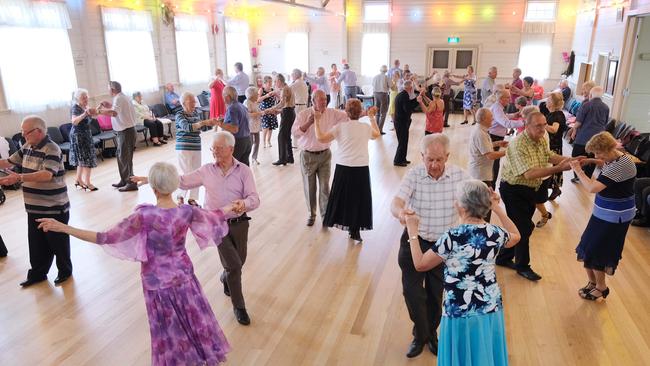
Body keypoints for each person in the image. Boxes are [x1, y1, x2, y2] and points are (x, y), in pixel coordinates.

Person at [39, 162, 231, 364]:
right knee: (193, 318)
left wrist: (64, 228)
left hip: (157, 283)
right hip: (184, 275)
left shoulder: (145, 216)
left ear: (154, 188)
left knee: (168, 329)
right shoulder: (186, 211)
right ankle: (200, 357)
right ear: (174, 186)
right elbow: (215, 216)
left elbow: (105, 237)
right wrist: (233, 206)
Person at [134, 131, 260, 325]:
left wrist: (244, 203)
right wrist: (151, 179)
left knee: (238, 262)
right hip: (215, 224)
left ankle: (226, 277)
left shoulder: (244, 170)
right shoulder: (206, 170)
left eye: (219, 148)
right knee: (234, 265)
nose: (214, 152)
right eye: (213, 148)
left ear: (231, 149)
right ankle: (239, 306)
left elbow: (254, 198)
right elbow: (181, 181)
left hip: (240, 223)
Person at [403, 180, 520, 365]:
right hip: (490, 308)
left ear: (462, 207)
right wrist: (497, 208)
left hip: (459, 310)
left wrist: (412, 230)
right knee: (485, 356)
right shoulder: (495, 233)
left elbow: (420, 264)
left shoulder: (452, 237)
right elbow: (516, 235)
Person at [390, 133, 469, 358]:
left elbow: (475, 197)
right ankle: (421, 334)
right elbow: (396, 202)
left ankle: (429, 334)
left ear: (447, 156)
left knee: (436, 295)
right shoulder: (414, 175)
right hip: (415, 241)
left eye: (439, 159)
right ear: (422, 156)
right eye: (429, 159)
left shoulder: (460, 176)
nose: (434, 165)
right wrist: (401, 214)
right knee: (412, 293)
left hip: (444, 246)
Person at [496, 112, 575, 281]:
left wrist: (571, 160)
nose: (543, 128)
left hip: (529, 190)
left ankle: (503, 257)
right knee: (523, 229)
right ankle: (522, 266)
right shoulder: (518, 144)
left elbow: (550, 156)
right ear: (527, 125)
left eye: (544, 124)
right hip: (513, 190)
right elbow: (530, 173)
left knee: (523, 228)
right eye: (538, 125)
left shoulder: (540, 139)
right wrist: (559, 168)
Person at [0, 116, 72, 287]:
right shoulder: (27, 146)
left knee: (58, 243)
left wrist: (19, 177)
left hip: (54, 207)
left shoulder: (52, 149)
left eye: (26, 132)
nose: (23, 135)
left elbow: (47, 175)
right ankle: (38, 274)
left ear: (38, 131)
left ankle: (65, 271)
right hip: (34, 207)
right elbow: (7, 162)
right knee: (36, 243)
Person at [571, 132, 636, 300]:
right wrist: (592, 161)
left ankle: (601, 287)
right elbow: (605, 163)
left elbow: (592, 187)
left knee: (598, 251)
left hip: (616, 216)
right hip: (604, 211)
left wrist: (578, 170)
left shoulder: (620, 165)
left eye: (597, 153)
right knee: (587, 246)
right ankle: (593, 283)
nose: (596, 156)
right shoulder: (616, 158)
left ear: (608, 149)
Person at [314, 100, 380, 241]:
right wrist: (372, 118)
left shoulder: (340, 127)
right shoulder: (365, 127)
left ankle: (335, 222)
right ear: (360, 111)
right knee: (358, 199)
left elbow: (320, 138)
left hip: (343, 168)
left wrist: (317, 121)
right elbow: (377, 134)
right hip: (361, 168)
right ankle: (354, 230)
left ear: (346, 112)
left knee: (342, 198)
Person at [292, 90, 349, 226]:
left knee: (324, 187)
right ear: (313, 101)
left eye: (325, 99)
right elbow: (294, 133)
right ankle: (311, 214)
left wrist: (363, 113)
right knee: (310, 187)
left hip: (325, 155)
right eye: (321, 99)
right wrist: (308, 123)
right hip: (308, 156)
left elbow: (347, 116)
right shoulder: (303, 114)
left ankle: (325, 216)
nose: (324, 102)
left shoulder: (331, 113)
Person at [175, 91, 216, 204]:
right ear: (184, 103)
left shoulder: (195, 114)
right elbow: (187, 127)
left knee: (197, 173)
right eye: (191, 101)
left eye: (194, 101)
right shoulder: (179, 114)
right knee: (187, 173)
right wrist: (203, 123)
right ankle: (180, 196)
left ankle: (192, 198)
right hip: (184, 147)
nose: (194, 103)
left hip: (196, 146)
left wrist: (209, 123)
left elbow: (199, 129)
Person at [98, 81, 138, 192]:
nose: (108, 91)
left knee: (125, 158)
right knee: (121, 157)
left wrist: (98, 111)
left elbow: (114, 113)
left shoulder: (119, 98)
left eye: (108, 89)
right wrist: (109, 106)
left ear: (112, 89)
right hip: (124, 131)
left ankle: (131, 183)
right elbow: (117, 110)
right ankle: (124, 180)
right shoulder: (121, 97)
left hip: (126, 132)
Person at [570, 86, 609, 182]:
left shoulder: (586, 105)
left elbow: (578, 122)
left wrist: (573, 130)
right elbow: (605, 123)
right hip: (598, 138)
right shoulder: (606, 107)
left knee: (576, 156)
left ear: (591, 95)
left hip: (583, 136)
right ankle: (587, 177)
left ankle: (577, 176)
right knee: (592, 157)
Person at [488, 90, 525, 187]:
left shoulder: (499, 107)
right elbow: (506, 123)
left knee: (495, 162)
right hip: (493, 136)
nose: (510, 99)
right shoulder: (497, 108)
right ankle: (491, 185)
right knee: (494, 163)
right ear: (501, 99)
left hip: (496, 135)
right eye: (507, 97)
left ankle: (491, 184)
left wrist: (513, 115)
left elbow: (503, 117)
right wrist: (524, 123)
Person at [468, 108, 507, 192]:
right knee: (482, 202)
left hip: (482, 173)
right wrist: (508, 152)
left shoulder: (481, 130)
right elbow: (490, 155)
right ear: (483, 119)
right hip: (480, 175)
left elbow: (481, 147)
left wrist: (497, 144)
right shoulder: (480, 133)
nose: (493, 119)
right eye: (491, 117)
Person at [70, 88, 99, 191]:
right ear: (78, 98)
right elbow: (74, 121)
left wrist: (97, 111)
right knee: (87, 159)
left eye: (86, 96)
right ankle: (88, 183)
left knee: (82, 159)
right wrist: (85, 114)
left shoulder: (85, 106)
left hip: (86, 134)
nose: (86, 98)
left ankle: (78, 180)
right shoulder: (76, 108)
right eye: (83, 97)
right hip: (79, 136)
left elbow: (93, 117)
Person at [218, 86, 252, 166]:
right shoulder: (242, 106)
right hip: (247, 140)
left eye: (223, 96)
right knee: (244, 169)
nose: (223, 98)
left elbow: (235, 129)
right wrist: (225, 120)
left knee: (232, 169)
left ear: (227, 97)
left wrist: (220, 124)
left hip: (238, 142)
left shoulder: (232, 108)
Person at [544, 92, 568, 202]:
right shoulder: (551, 113)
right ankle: (554, 188)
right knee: (549, 167)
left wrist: (542, 125)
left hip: (554, 145)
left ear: (553, 102)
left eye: (549, 100)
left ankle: (555, 188)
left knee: (552, 167)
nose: (546, 101)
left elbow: (554, 129)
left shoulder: (558, 115)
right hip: (549, 143)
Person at [269, 74, 296, 166]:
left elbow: (282, 103)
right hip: (290, 112)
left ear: (280, 81)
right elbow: (286, 104)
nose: (275, 83)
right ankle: (290, 157)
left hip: (288, 113)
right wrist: (278, 110)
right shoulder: (287, 87)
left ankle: (282, 158)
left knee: (281, 136)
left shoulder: (285, 89)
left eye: (275, 81)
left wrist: (272, 108)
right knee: (287, 136)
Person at [393, 80, 420, 167]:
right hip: (401, 122)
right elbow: (407, 109)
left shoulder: (403, 94)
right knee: (402, 142)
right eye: (412, 87)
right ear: (409, 87)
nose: (412, 88)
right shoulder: (404, 96)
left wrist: (417, 100)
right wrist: (417, 102)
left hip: (401, 121)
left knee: (404, 141)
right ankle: (397, 160)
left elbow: (409, 104)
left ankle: (403, 158)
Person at [243, 87, 263, 165]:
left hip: (256, 124)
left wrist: (262, 112)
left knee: (257, 142)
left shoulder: (255, 102)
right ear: (251, 95)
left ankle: (254, 158)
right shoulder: (247, 102)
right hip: (249, 125)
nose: (257, 95)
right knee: (250, 143)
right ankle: (245, 158)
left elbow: (257, 111)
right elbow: (247, 114)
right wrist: (259, 113)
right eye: (256, 94)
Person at [259, 76, 278, 148]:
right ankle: (263, 141)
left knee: (271, 127)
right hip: (264, 110)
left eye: (271, 82)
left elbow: (278, 98)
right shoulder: (261, 90)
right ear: (265, 82)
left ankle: (268, 140)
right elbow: (258, 100)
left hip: (272, 110)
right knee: (265, 127)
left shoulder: (273, 90)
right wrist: (266, 96)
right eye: (269, 82)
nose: (270, 83)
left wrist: (276, 94)